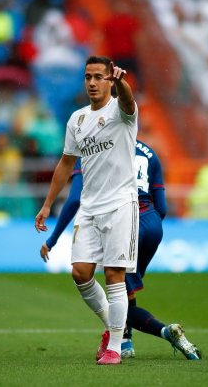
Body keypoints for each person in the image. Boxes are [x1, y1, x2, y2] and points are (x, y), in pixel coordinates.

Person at [40, 141, 201, 361]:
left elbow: (76, 198)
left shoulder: (95, 146)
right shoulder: (151, 153)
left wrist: (53, 238)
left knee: (117, 290)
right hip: (152, 223)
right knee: (125, 290)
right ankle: (125, 343)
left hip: (124, 221)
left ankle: (166, 332)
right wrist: (148, 227)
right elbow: (162, 207)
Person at [35, 56, 138, 365]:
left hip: (120, 203)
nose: (92, 82)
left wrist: (122, 82)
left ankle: (116, 349)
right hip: (90, 207)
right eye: (88, 77)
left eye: (98, 77)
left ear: (109, 80)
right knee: (80, 273)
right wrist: (47, 203)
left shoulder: (122, 113)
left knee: (113, 275)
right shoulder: (77, 120)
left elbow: (130, 100)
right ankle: (113, 329)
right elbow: (66, 163)